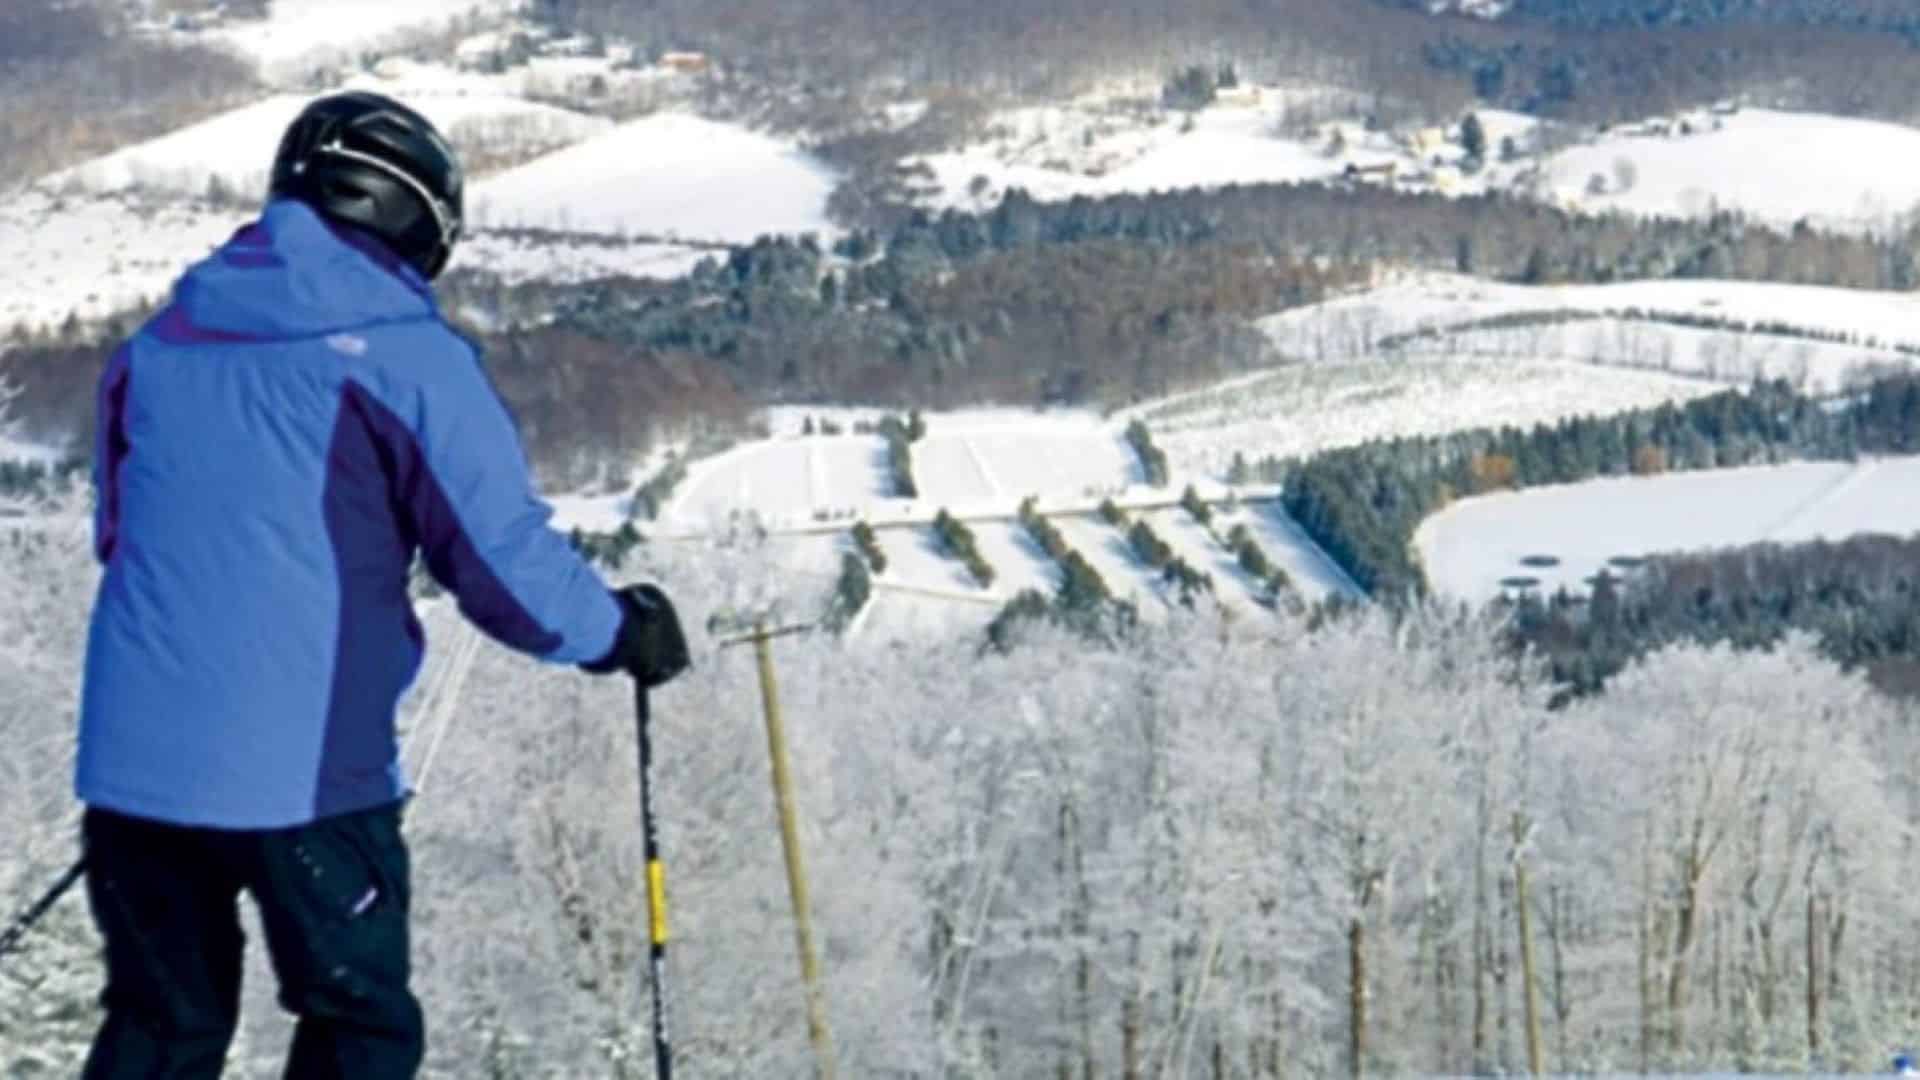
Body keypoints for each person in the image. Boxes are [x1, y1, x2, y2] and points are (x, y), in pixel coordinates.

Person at [75, 91, 688, 1078]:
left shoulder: (158, 346)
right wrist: (619, 630)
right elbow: (502, 568)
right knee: (359, 1028)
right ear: (417, 214)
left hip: (133, 771)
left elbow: (121, 536)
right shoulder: (408, 361)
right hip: (308, 773)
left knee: (162, 1027)